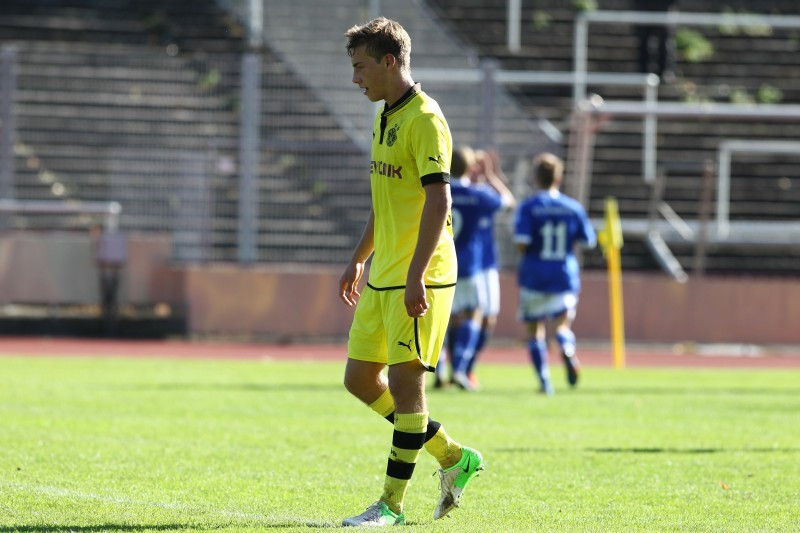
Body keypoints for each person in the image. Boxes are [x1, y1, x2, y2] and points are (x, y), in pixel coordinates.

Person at [338, 17, 484, 527]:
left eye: (360, 67)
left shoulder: (425, 118)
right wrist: (360, 256)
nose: (355, 78)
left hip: (422, 274)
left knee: (406, 387)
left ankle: (391, 506)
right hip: (384, 272)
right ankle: (451, 455)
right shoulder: (385, 116)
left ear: (390, 61)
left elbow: (438, 199)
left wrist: (418, 274)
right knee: (359, 379)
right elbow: (386, 200)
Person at [513, 153, 596, 395]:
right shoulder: (573, 207)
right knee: (561, 326)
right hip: (563, 275)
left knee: (534, 330)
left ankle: (544, 381)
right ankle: (567, 349)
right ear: (558, 178)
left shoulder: (528, 207)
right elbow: (588, 241)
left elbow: (521, 242)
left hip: (535, 275)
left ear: (536, 177)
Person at [442, 146, 510, 391]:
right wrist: (491, 175)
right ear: (471, 168)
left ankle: (442, 370)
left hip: (441, 264)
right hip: (470, 266)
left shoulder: (439, 191)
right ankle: (460, 369)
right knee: (474, 314)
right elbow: (508, 202)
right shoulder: (479, 194)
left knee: (446, 318)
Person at [465, 149, 515, 388]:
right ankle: (454, 367)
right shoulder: (464, 192)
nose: (478, 171)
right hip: (464, 265)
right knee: (457, 318)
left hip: (486, 264)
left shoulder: (484, 195)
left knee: (488, 318)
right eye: (474, 165)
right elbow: (509, 202)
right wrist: (492, 176)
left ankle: (467, 366)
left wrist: (491, 176)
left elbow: (507, 204)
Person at [634, 0, 678, 81]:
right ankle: (642, 72)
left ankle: (666, 70)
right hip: (644, 7)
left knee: (665, 40)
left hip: (664, 7)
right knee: (643, 41)